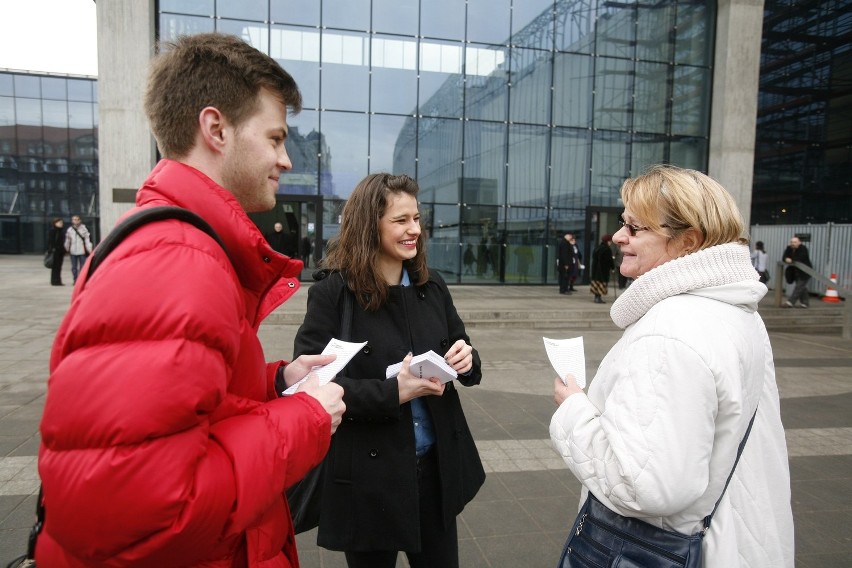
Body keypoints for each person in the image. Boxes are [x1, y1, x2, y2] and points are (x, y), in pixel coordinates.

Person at [36, 32, 345, 568]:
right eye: (274, 138)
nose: (286, 159)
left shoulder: (184, 248)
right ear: (216, 128)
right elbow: (148, 511)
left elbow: (180, 411)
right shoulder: (180, 261)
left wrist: (276, 383)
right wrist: (306, 416)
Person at [550, 165, 794, 567]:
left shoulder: (670, 332)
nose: (618, 236)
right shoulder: (735, 311)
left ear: (688, 241)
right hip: (738, 536)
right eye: (622, 223)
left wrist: (573, 409)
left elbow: (645, 486)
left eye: (635, 227)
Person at [293, 173, 485, 568]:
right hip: (367, 480)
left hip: (435, 473)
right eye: (401, 220)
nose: (414, 229)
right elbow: (311, 386)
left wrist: (467, 359)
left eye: (416, 218)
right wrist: (390, 392)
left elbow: (461, 347)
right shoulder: (333, 294)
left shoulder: (432, 287)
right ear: (369, 225)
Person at [782, 235, 812, 308]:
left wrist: (791, 260)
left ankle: (790, 302)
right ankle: (805, 303)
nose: (793, 243)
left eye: (795, 242)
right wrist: (786, 259)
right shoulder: (789, 248)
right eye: (792, 242)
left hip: (804, 271)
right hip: (795, 271)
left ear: (799, 242)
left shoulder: (803, 249)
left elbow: (800, 257)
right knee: (802, 287)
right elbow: (784, 257)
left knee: (799, 287)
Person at [64, 214, 92, 283]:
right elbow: (67, 240)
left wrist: (90, 250)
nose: (75, 221)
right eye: (74, 219)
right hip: (73, 251)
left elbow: (87, 240)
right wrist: (66, 249)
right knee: (74, 267)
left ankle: (81, 280)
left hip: (82, 250)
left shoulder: (84, 229)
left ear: (80, 220)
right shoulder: (70, 230)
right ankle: (75, 280)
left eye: (77, 219)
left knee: (82, 267)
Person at [589, 234, 614, 303]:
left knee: (596, 283)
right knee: (601, 283)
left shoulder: (597, 248)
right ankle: (598, 298)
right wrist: (613, 267)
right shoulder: (607, 249)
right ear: (608, 241)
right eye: (610, 241)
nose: (610, 243)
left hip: (595, 270)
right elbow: (609, 260)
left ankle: (596, 297)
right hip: (603, 270)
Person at [47, 217, 66, 286]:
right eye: (59, 223)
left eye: (61, 223)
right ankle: (54, 281)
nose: (61, 224)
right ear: (55, 223)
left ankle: (58, 280)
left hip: (61, 251)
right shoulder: (53, 231)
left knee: (59, 266)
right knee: (55, 267)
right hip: (55, 251)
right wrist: (51, 249)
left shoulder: (62, 231)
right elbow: (51, 242)